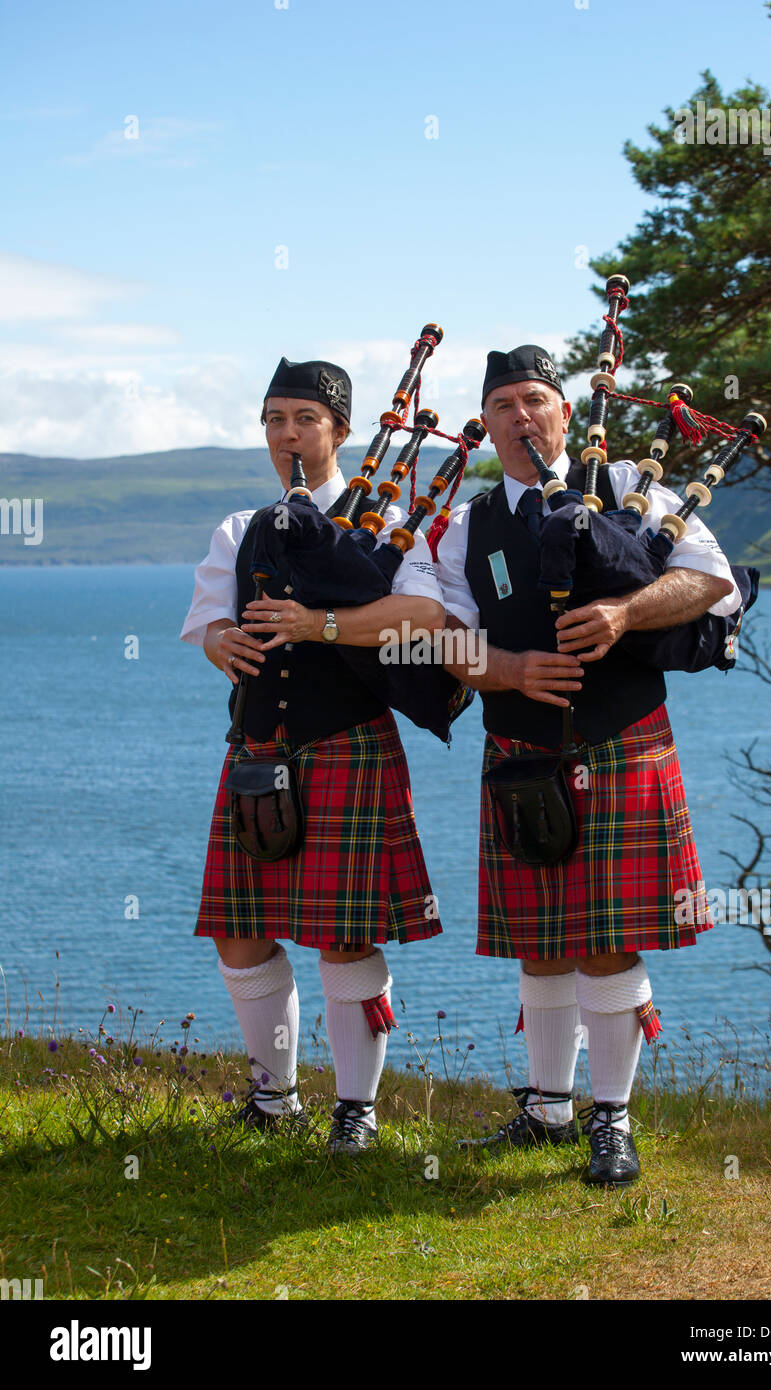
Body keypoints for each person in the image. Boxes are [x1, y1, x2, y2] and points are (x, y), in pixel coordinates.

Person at [434, 345, 741, 1185]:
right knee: (538, 944)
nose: (522, 415)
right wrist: (508, 670)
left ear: (565, 414)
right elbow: (438, 633)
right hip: (521, 751)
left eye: (536, 399)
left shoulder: (637, 496)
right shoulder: (470, 525)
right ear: (487, 422)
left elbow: (713, 581)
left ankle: (613, 1120)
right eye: (503, 403)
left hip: (621, 742)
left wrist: (623, 611)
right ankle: (547, 1109)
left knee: (606, 944)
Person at [180, 357, 446, 1154]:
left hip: (349, 745)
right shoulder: (243, 528)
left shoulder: (392, 519)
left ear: (340, 431)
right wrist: (225, 643)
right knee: (241, 928)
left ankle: (355, 1109)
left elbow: (424, 614)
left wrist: (319, 624)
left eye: (304, 419)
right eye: (274, 420)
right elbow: (208, 626)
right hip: (258, 748)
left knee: (345, 934)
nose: (287, 435)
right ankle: (275, 1098)